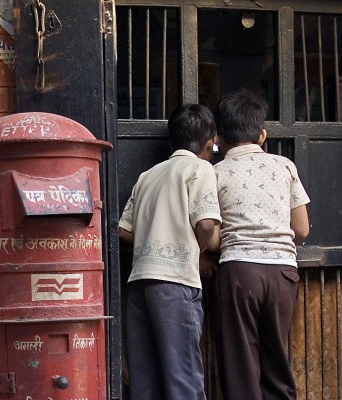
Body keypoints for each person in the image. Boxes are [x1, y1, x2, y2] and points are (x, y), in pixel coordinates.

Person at [210, 89, 310, 400]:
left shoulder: (214, 172)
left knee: (240, 364)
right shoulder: (284, 166)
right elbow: (302, 229)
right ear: (263, 135)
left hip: (239, 273)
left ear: (218, 137)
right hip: (282, 274)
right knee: (276, 359)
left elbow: (211, 233)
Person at [119, 103, 222, 400]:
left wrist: (155, 235)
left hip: (139, 282)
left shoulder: (148, 175)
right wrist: (198, 250)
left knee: (144, 381)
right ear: (209, 143)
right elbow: (205, 223)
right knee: (183, 378)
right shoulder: (200, 168)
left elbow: (124, 230)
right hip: (175, 283)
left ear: (171, 142)